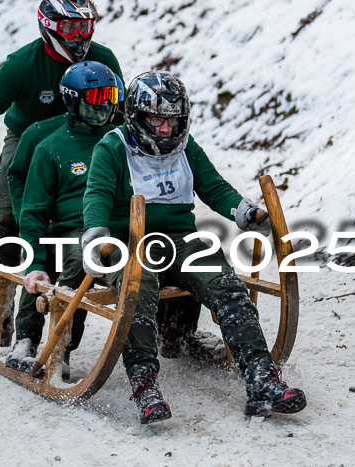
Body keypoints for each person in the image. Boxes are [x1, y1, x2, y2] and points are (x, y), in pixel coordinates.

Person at [82, 71, 307, 424]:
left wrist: (241, 209)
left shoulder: (187, 148)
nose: (165, 130)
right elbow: (95, 194)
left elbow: (214, 187)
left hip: (180, 241)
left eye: (172, 121)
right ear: (137, 117)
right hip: (130, 241)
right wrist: (96, 235)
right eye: (156, 120)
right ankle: (144, 381)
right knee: (138, 287)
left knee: (226, 284)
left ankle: (261, 376)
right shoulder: (112, 147)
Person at [0, 0, 123, 345]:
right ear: (47, 25)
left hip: (87, 135)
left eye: (82, 27)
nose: (76, 36)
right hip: (26, 137)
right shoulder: (22, 64)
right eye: (68, 28)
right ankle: (2, 314)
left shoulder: (104, 58)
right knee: (11, 215)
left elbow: (119, 107)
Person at [4, 61, 120, 376]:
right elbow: (31, 207)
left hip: (114, 226)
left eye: (111, 95)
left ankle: (171, 331)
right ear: (74, 99)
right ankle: (34, 340)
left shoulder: (120, 138)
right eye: (98, 97)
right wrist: (33, 256)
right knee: (64, 257)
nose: (106, 104)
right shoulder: (46, 142)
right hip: (66, 226)